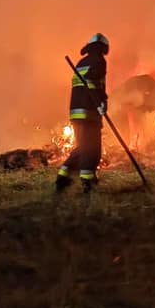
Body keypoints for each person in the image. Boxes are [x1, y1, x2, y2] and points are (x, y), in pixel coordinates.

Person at [56, 33, 109, 193]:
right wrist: (101, 103)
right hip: (89, 112)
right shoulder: (99, 61)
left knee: (83, 147)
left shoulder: (81, 62)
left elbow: (86, 84)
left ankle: (63, 174)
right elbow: (94, 83)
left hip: (76, 112)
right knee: (92, 149)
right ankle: (88, 181)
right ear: (103, 48)